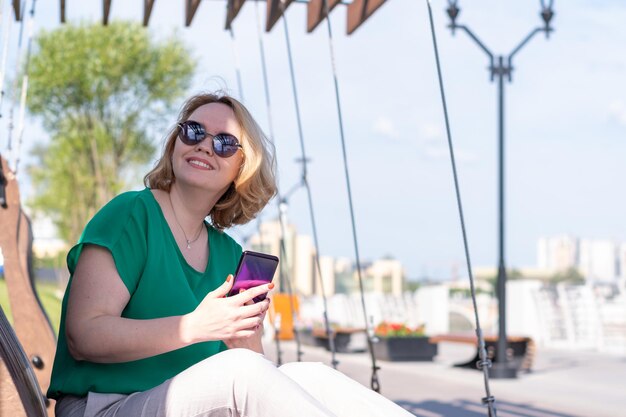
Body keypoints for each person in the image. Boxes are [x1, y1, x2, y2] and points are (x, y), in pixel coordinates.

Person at [47, 92, 415, 417]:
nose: (205, 145)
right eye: (193, 131)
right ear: (176, 141)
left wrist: (242, 336)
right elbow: (84, 337)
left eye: (225, 142)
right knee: (242, 375)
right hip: (103, 406)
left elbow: (252, 367)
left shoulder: (227, 253)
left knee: (312, 375)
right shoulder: (131, 214)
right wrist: (197, 326)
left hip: (188, 406)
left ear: (242, 166)